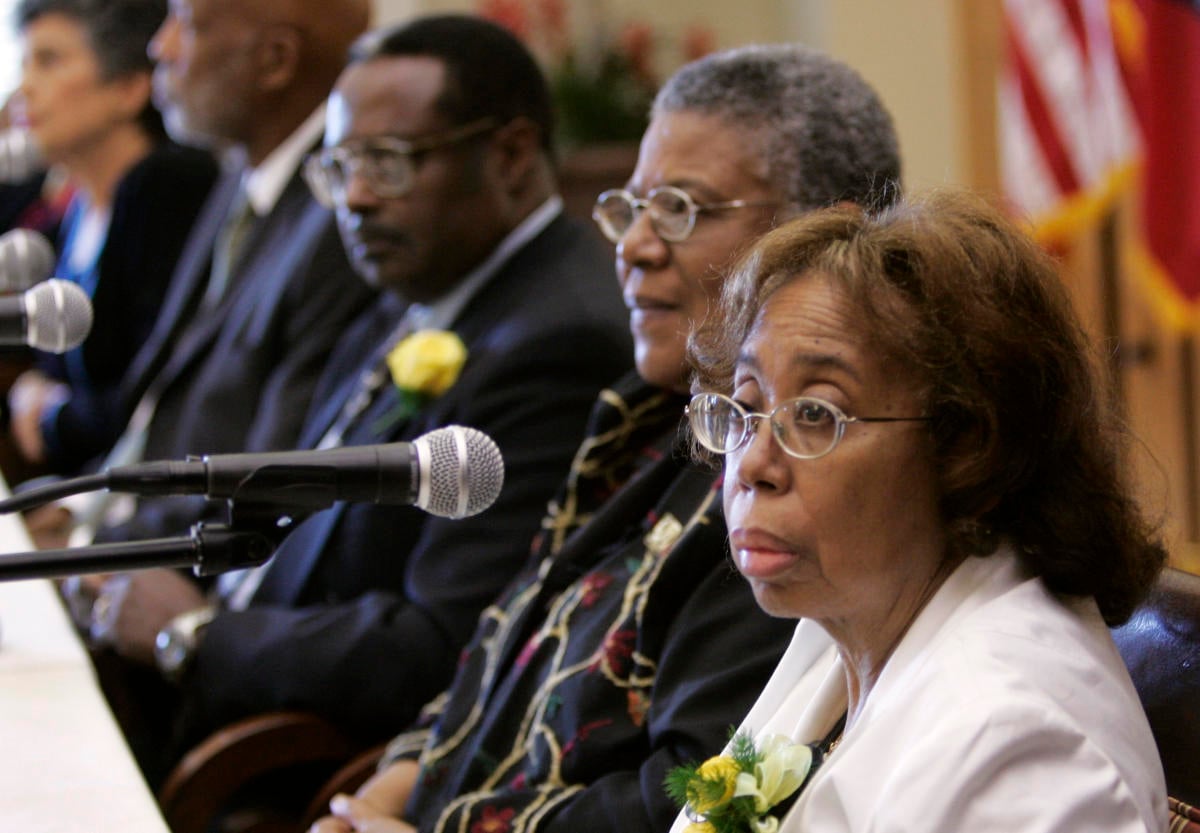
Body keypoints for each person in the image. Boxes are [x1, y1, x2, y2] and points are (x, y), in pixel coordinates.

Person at [311, 42, 902, 833]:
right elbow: (508, 642)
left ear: (822, 235)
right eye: (631, 208)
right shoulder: (645, 415)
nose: (634, 246)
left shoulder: (794, 480)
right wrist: (393, 785)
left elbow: (690, 792)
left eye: (681, 211)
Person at [81, 13, 635, 783]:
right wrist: (127, 553)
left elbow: (440, 639)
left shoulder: (556, 341)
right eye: (339, 167)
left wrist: (195, 634)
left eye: (389, 161)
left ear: (509, 154)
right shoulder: (415, 283)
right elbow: (286, 481)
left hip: (302, 757)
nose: (358, 199)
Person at [669, 188, 1166, 833]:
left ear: (967, 446)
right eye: (744, 403)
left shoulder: (1018, 745)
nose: (754, 465)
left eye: (816, 414)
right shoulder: (844, 623)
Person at [45, 0, 377, 785]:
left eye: (186, 26)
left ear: (273, 60)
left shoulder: (339, 220)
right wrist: (84, 505)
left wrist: (108, 541)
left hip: (190, 601)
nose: (158, 49)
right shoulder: (241, 178)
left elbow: (266, 469)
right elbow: (164, 395)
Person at [6, 0, 218, 475]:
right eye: (25, 64)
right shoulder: (77, 207)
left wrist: (52, 415)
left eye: (50, 61)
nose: (24, 89)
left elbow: (152, 400)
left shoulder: (166, 187)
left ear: (129, 87)